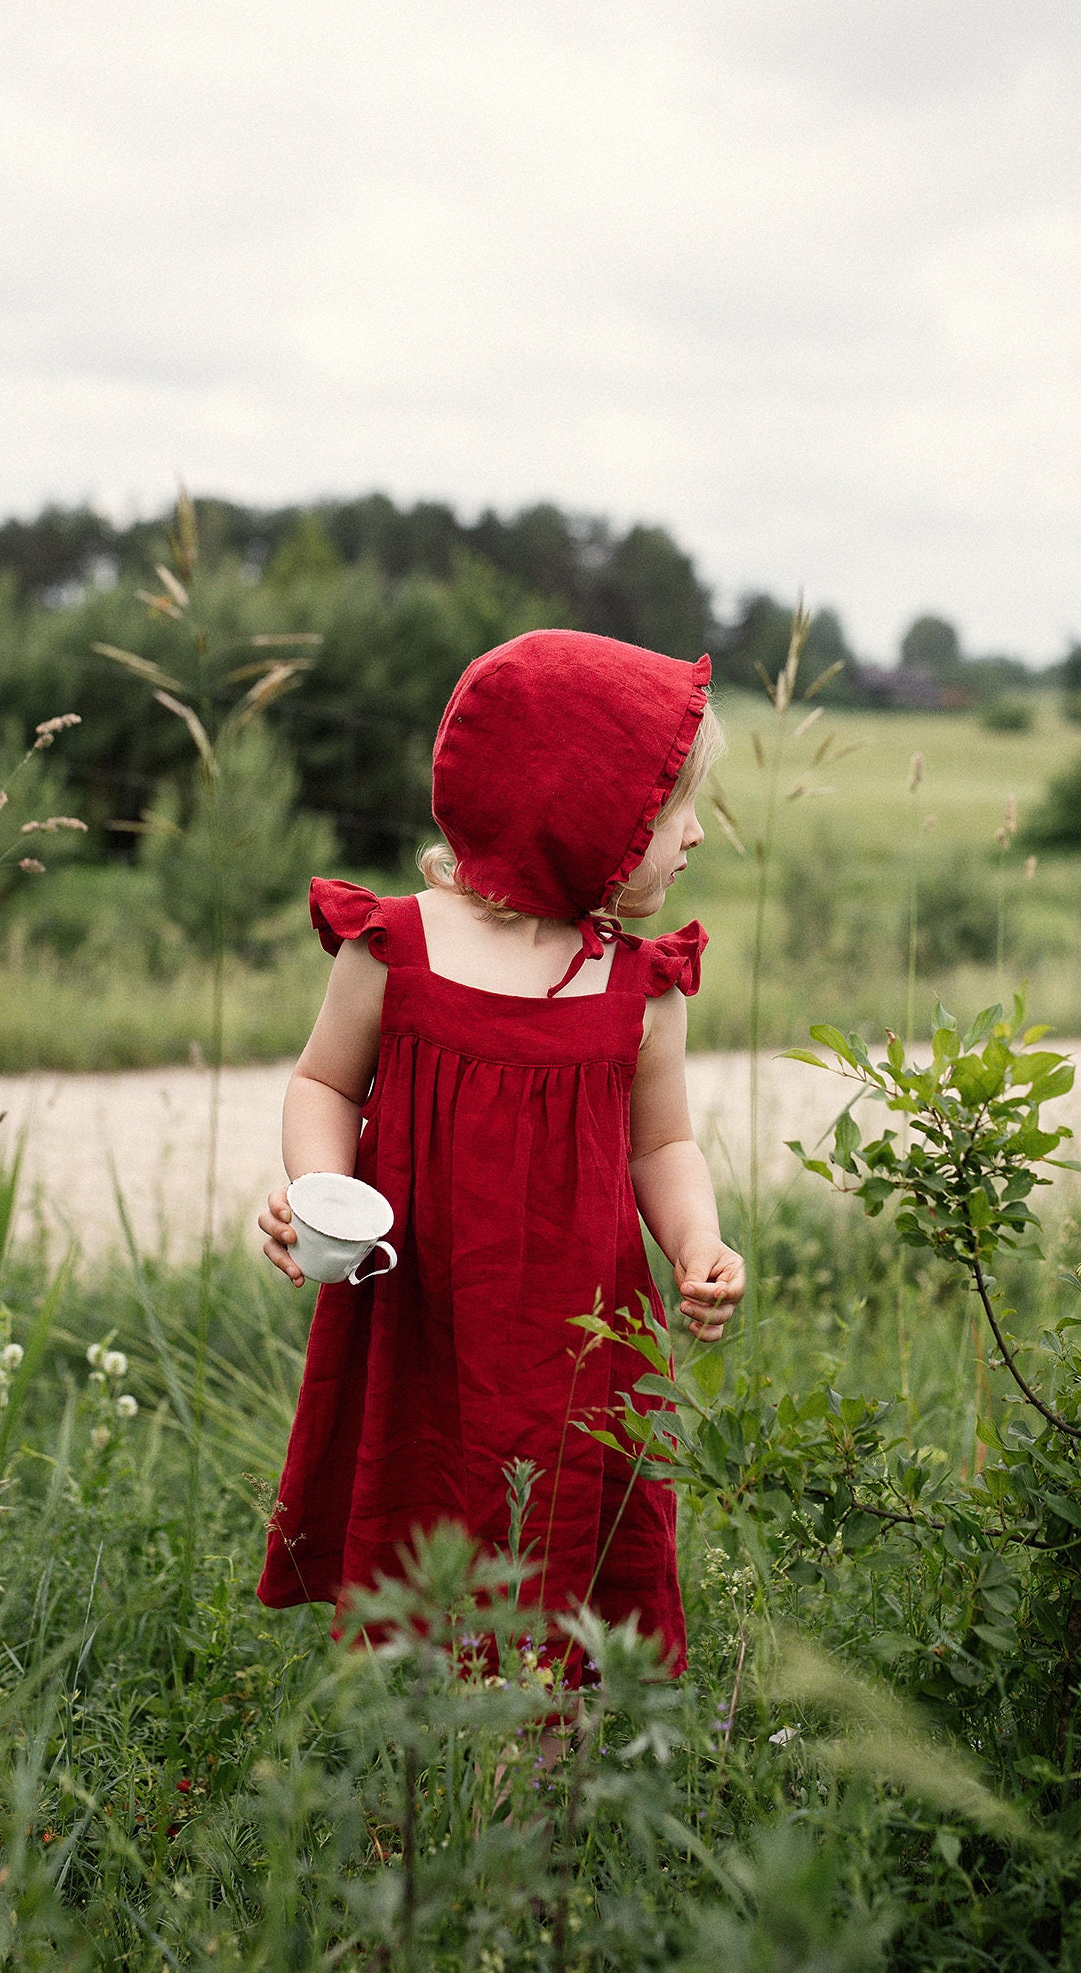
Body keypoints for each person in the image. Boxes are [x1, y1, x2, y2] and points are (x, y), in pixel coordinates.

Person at [255, 628, 745, 1682]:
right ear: (578, 812)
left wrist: (696, 1239)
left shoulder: (640, 986)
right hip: (423, 1316)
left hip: (580, 1338)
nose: (696, 835)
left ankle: (547, 1768)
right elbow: (324, 1083)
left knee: (569, 1531)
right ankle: (424, 1773)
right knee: (422, 1512)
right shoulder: (393, 949)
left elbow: (661, 1141)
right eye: (673, 809)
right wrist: (316, 1185)